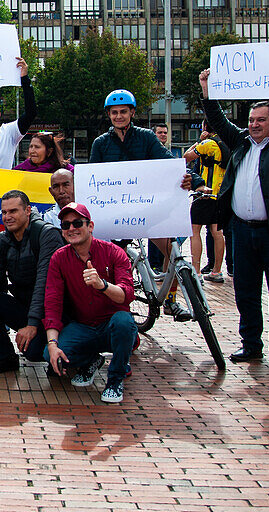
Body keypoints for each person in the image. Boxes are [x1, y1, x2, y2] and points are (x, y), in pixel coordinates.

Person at [200, 67, 269, 371]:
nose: (254, 125)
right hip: (242, 230)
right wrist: (207, 90)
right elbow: (219, 121)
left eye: (261, 120)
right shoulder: (239, 142)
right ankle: (251, 345)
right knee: (246, 293)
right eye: (251, 120)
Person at [90, 88, 199, 322]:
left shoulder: (147, 138)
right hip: (115, 214)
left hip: (146, 211)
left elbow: (168, 161)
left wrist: (194, 181)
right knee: (106, 260)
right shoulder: (101, 144)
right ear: (109, 115)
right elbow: (94, 178)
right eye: (114, 112)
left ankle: (170, 300)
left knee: (171, 249)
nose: (119, 116)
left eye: (123, 112)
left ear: (132, 113)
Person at [0, 190, 64, 375]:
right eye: (4, 212)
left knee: (34, 353)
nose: (7, 217)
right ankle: (6, 358)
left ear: (28, 210)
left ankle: (64, 353)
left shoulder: (47, 234)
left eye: (13, 211)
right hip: (26, 306)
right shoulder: (4, 238)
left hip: (54, 313)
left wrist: (31, 325)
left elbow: (44, 283)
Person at [44, 202, 137, 404]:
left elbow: (128, 294)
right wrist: (52, 344)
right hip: (83, 327)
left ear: (90, 226)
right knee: (49, 355)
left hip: (111, 326)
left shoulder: (114, 252)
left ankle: (115, 380)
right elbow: (53, 302)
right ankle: (91, 360)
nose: (71, 229)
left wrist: (102, 285)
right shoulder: (59, 258)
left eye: (77, 223)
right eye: (66, 225)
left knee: (123, 322)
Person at [184, 121, 230, 282]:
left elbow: (186, 158)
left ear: (205, 128)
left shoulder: (208, 144)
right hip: (221, 194)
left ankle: (196, 271)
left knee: (195, 232)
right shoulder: (226, 143)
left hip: (204, 193)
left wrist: (198, 141)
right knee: (218, 233)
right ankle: (217, 271)